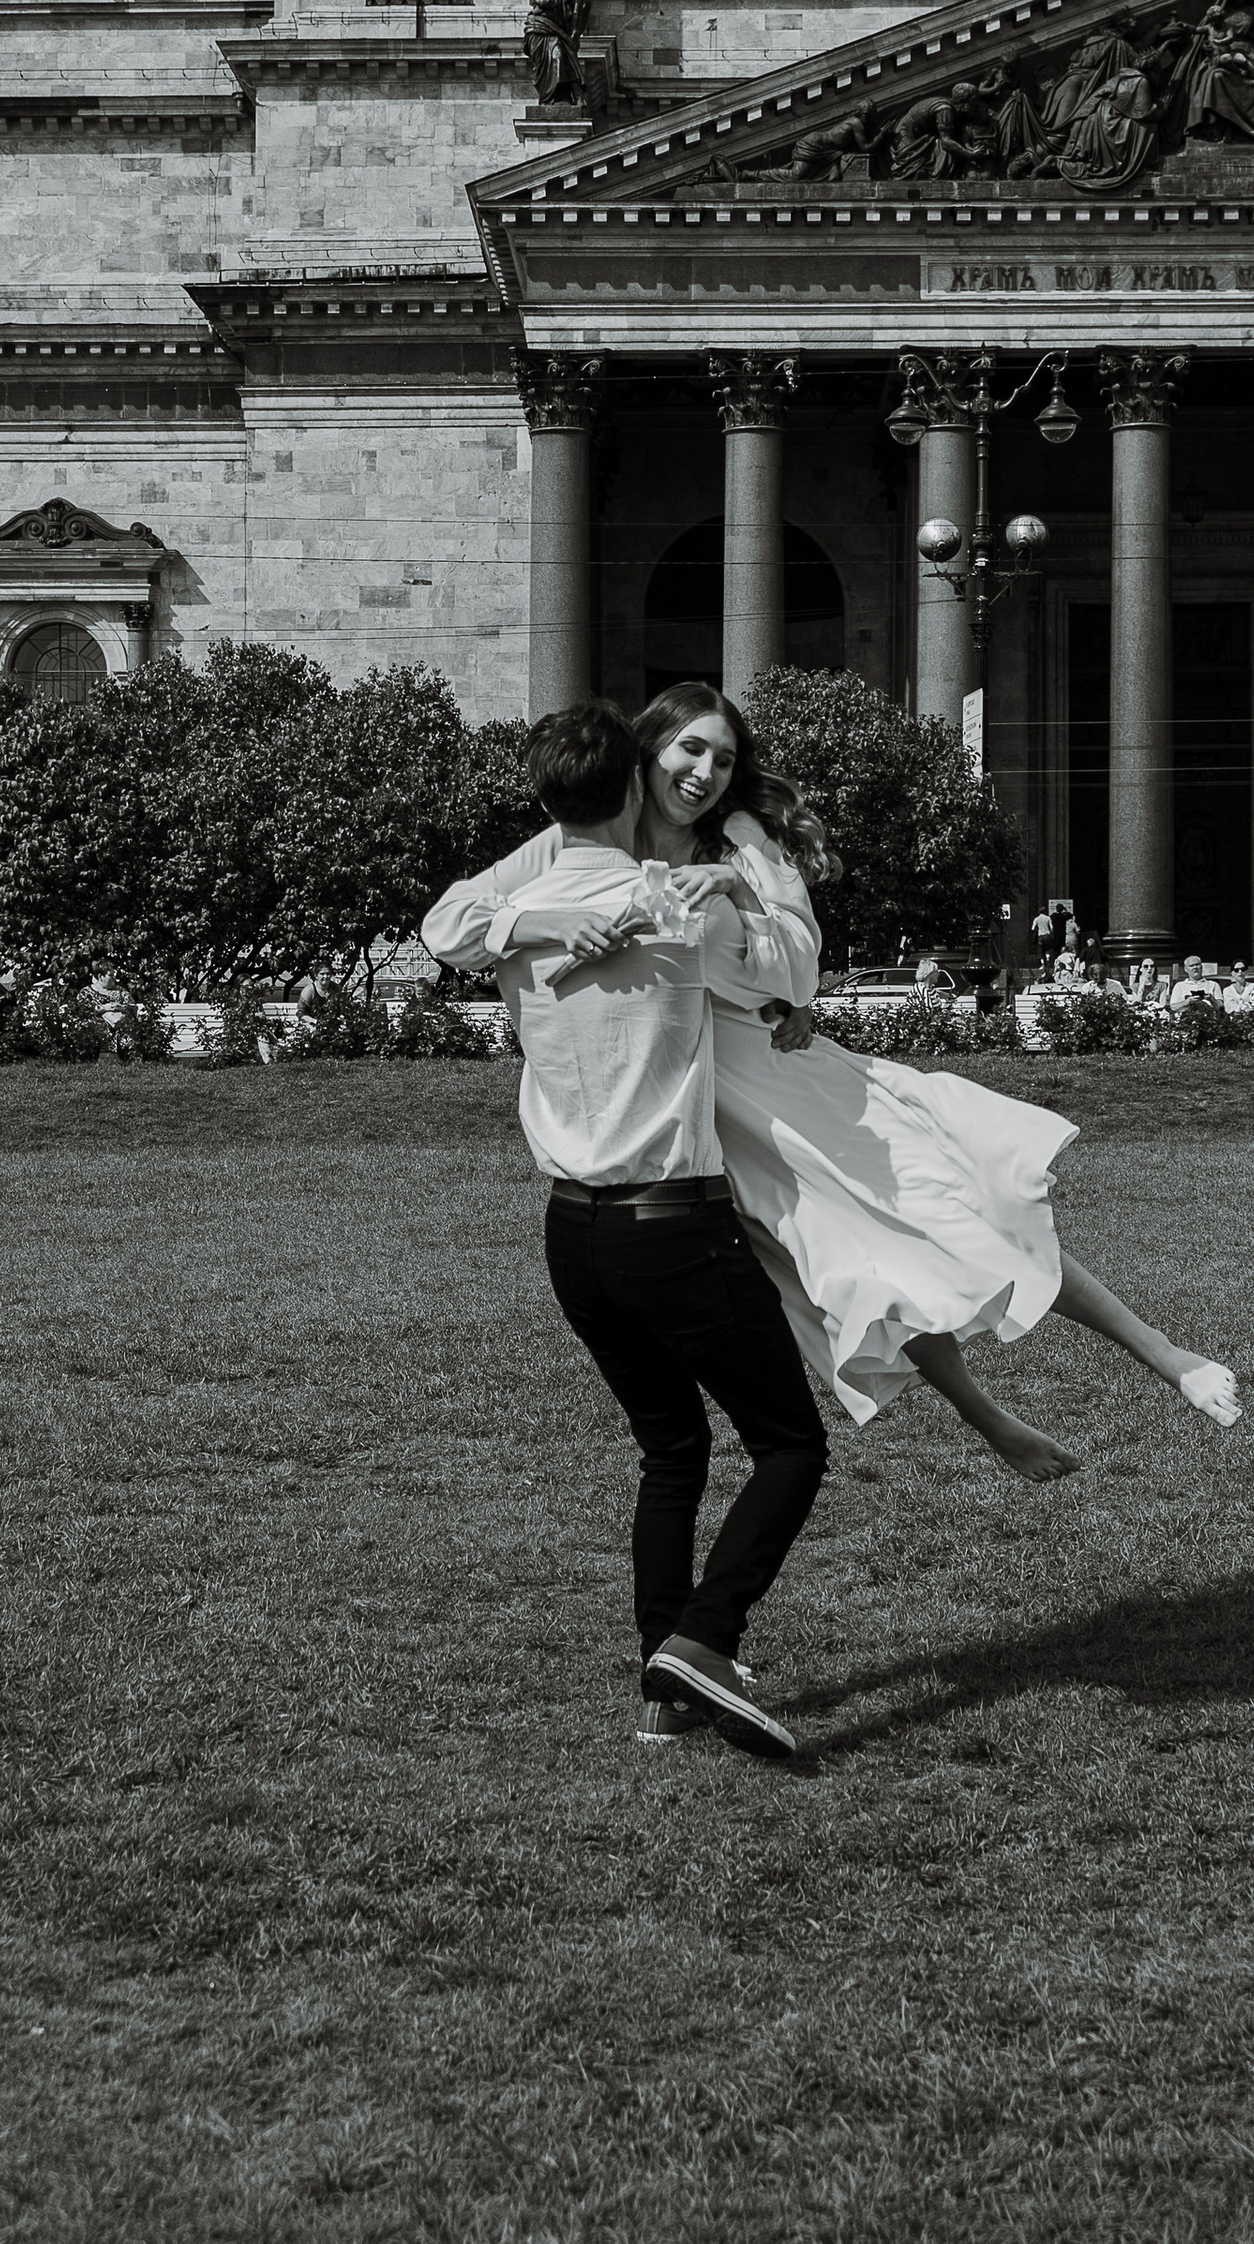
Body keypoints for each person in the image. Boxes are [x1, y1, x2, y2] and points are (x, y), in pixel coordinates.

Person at [432, 685, 1243, 1527]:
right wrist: (552, 925)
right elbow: (451, 921)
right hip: (696, 1111)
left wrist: (736, 895)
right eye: (690, 750)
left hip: (776, 1075)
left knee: (960, 1210)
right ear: (648, 753)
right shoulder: (591, 831)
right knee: (860, 1269)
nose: (705, 772)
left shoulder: (741, 840)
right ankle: (989, 1418)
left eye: (724, 759)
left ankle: (1167, 1355)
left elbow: (798, 965)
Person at [419, 701, 829, 1758]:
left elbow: (443, 927)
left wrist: (535, 927)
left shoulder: (519, 910)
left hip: (574, 1238)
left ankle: (664, 1688)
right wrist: (739, 889)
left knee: (671, 1450)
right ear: (640, 780)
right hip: (676, 1227)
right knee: (790, 1445)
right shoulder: (673, 904)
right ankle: (705, 1637)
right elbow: (791, 974)